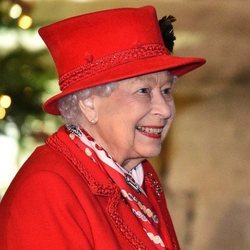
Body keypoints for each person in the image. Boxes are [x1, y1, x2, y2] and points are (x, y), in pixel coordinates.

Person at [0, 6, 205, 250]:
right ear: (89, 104)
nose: (165, 109)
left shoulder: (138, 174)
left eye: (166, 91)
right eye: (143, 91)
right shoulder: (47, 190)